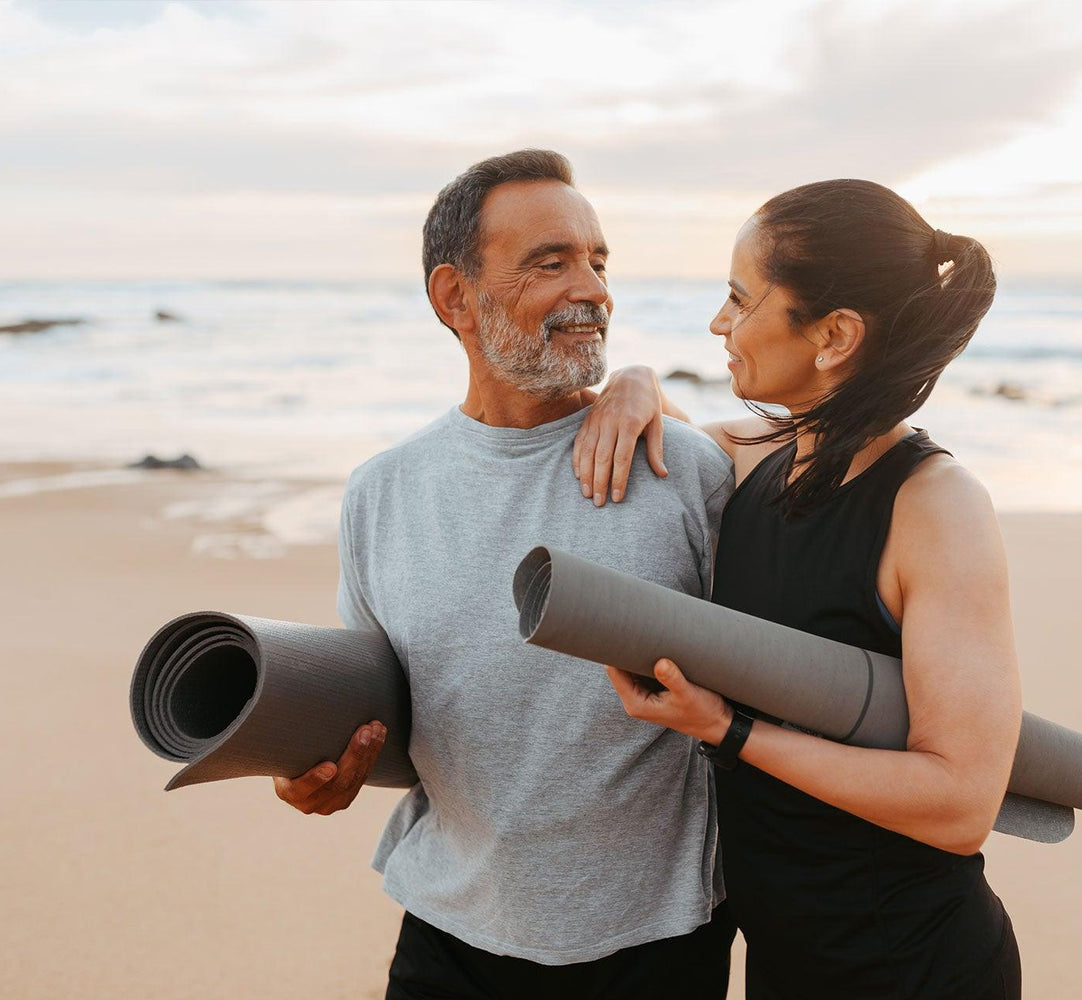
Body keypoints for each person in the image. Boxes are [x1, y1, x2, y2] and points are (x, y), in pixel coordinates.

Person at [268, 149, 737, 1000]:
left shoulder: (684, 470)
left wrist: (642, 385)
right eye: (550, 263)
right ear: (456, 297)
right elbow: (390, 721)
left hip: (655, 943)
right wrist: (316, 767)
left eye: (598, 261)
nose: (592, 288)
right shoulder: (382, 493)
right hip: (449, 934)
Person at [574, 179, 1024, 998]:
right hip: (783, 958)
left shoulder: (933, 507)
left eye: (741, 300)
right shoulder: (763, 456)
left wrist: (728, 731)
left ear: (834, 335)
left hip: (906, 964)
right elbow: (674, 434)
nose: (719, 324)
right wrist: (633, 378)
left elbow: (960, 802)